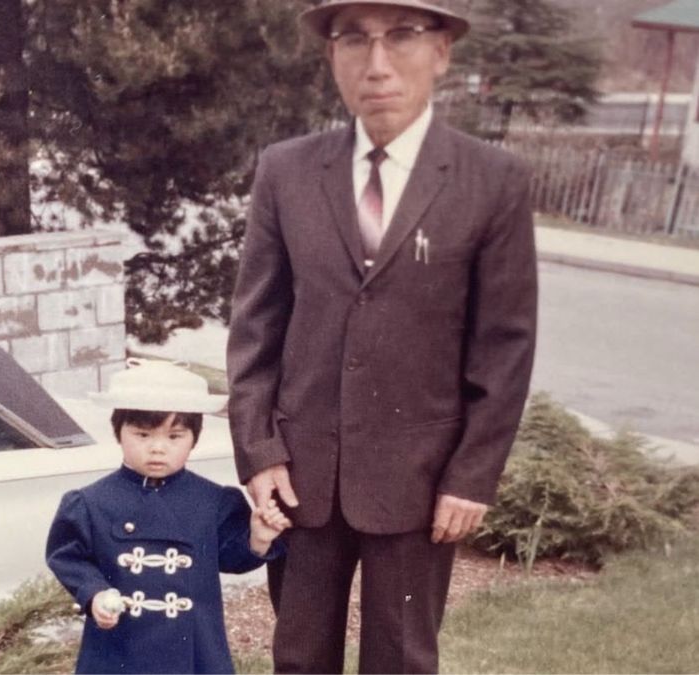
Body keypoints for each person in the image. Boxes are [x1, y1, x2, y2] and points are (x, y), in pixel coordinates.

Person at [226, 0, 538, 672]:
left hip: (421, 481)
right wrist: (259, 450)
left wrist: (471, 477)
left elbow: (505, 348)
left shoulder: (494, 181)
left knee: (400, 659)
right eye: (354, 39)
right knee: (299, 657)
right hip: (302, 476)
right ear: (330, 54)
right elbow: (255, 326)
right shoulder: (286, 169)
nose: (377, 64)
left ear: (442, 51)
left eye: (401, 36)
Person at [46, 359, 291, 674]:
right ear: (119, 433)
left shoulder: (214, 501)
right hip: (118, 649)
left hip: (195, 653)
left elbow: (233, 558)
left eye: (174, 437)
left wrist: (257, 539)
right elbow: (68, 557)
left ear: (194, 439)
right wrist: (93, 594)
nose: (158, 448)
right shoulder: (90, 502)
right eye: (143, 435)